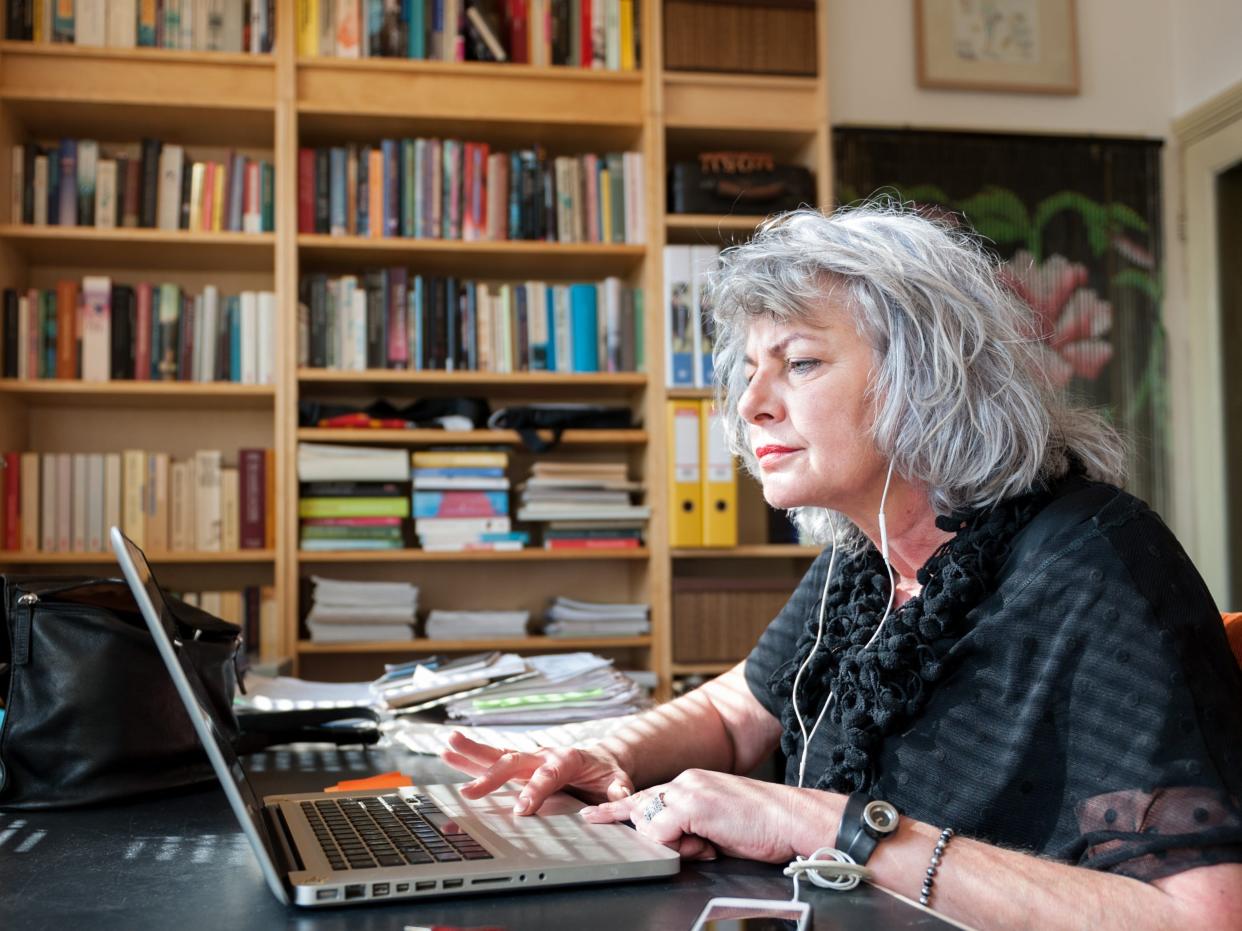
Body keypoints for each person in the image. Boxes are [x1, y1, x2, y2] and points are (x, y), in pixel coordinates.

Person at [443, 204, 1242, 930]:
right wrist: (612, 750)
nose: (752, 402)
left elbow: (1203, 916)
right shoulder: (865, 560)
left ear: (924, 379)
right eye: (750, 367)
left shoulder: (1095, 561)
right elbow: (736, 710)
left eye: (799, 363)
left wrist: (827, 823)